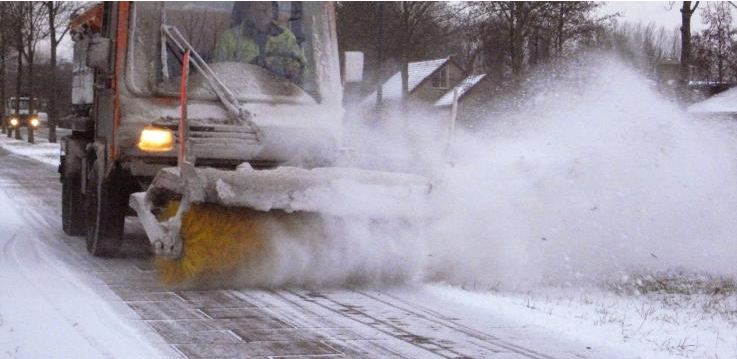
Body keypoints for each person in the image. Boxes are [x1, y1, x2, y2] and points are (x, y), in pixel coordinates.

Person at [214, 2, 305, 84]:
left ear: (274, 11)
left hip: (279, 95)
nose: (264, 12)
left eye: (267, 7)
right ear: (247, 11)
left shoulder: (286, 37)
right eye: (258, 7)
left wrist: (290, 71)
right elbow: (219, 75)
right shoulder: (229, 38)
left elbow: (302, 70)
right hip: (241, 95)